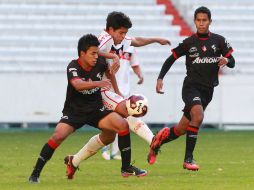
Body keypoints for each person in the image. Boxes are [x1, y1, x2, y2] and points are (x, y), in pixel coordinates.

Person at [28, 34, 147, 183]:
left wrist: (118, 94)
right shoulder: (73, 66)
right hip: (74, 111)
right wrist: (98, 84)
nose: (96, 56)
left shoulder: (101, 63)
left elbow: (110, 75)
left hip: (96, 109)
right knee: (58, 136)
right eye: (93, 53)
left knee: (121, 125)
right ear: (82, 54)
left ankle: (126, 167)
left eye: (97, 53)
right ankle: (35, 173)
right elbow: (78, 84)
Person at [147, 6, 235, 170]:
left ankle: (157, 142)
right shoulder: (189, 42)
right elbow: (170, 59)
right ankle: (188, 159)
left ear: (210, 21)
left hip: (208, 91)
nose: (201, 23)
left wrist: (226, 60)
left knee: (180, 129)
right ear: (195, 21)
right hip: (191, 87)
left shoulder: (219, 41)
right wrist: (160, 78)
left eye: (204, 20)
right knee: (199, 116)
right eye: (198, 20)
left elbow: (233, 61)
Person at [101, 46, 145, 160]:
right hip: (110, 88)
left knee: (122, 121)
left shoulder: (131, 47)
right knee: (110, 118)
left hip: (125, 90)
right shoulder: (110, 44)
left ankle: (115, 152)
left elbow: (135, 65)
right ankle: (105, 147)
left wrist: (139, 75)